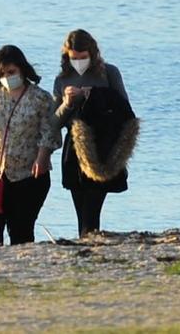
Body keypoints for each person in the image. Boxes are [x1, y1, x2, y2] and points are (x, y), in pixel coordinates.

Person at [53, 28, 139, 237]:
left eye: (84, 57)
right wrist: (67, 102)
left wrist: (96, 95)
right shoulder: (62, 80)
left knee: (93, 206)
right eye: (74, 58)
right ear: (67, 56)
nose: (79, 62)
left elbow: (125, 108)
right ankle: (86, 240)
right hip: (74, 147)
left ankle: (89, 238)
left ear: (93, 54)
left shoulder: (109, 72)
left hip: (102, 146)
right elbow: (54, 122)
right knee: (80, 207)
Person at [0, 45, 56, 245]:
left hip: (28, 176)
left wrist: (42, 158)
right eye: (2, 73)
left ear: (22, 69)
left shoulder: (40, 98)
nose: (7, 77)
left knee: (21, 232)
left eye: (11, 72)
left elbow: (50, 131)